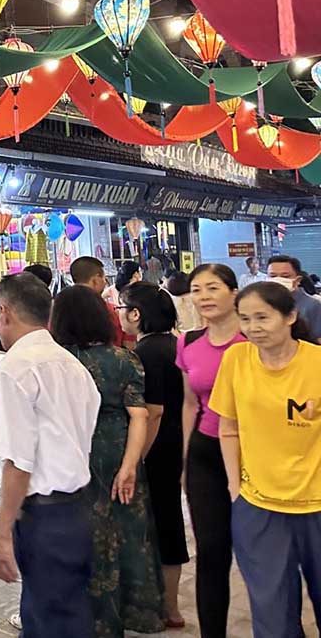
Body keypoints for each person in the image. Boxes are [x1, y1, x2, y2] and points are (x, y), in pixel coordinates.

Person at [0, 272, 100, 637]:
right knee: (61, 612)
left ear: (4, 312)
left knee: (50, 619)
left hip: (43, 518)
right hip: (77, 510)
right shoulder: (72, 366)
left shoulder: (16, 370)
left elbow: (19, 461)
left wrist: (1, 532)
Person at [51, 286, 163, 637]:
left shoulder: (57, 362)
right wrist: (131, 466)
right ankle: (135, 612)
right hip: (117, 452)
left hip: (72, 455)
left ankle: (88, 619)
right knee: (126, 532)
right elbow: (139, 416)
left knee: (82, 535)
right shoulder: (123, 358)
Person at [212, 281, 321, 637]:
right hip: (259, 507)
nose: (253, 327)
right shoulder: (236, 359)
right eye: (245, 318)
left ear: (290, 316)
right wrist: (235, 487)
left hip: (316, 505)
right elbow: (228, 428)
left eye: (263, 317)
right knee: (272, 617)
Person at [177, 263, 245, 638]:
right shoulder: (187, 343)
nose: (203, 296)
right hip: (206, 452)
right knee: (212, 551)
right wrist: (186, 460)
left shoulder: (254, 339)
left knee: (260, 555)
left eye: (213, 288)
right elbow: (190, 404)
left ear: (233, 292)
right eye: (197, 289)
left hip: (255, 455)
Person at [119, 282, 188, 630]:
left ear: (136, 314)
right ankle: (170, 605)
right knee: (169, 520)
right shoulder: (176, 345)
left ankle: (166, 606)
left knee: (159, 523)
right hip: (178, 444)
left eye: (122, 307)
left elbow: (154, 411)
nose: (119, 314)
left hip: (157, 447)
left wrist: (137, 458)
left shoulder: (146, 353)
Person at [71, 255, 126, 346]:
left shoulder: (61, 310)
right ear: (95, 280)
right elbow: (129, 346)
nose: (105, 282)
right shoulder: (112, 311)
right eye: (104, 278)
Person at [266, 254, 321, 337]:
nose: (278, 280)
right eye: (273, 276)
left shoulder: (313, 305)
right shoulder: (262, 303)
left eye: (285, 276)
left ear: (298, 280)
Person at [162, 270, 201, 334]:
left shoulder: (170, 303)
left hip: (181, 337)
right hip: (200, 335)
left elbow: (172, 328)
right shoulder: (198, 299)